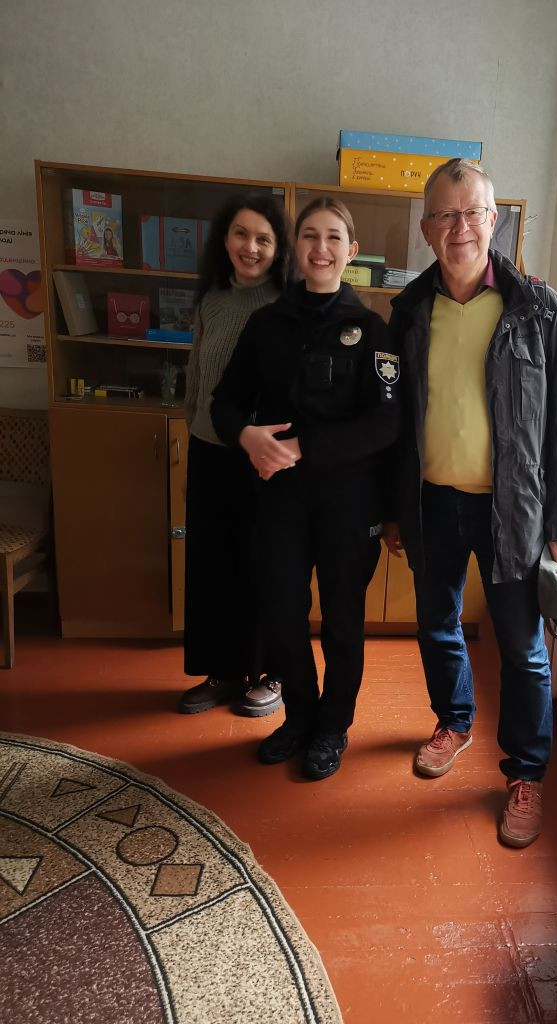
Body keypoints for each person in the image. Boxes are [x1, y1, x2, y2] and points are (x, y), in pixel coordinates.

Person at [384, 159, 557, 847]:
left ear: (493, 219)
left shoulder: (538, 309)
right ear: (426, 228)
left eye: (471, 212)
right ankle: (454, 722)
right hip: (432, 503)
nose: (459, 227)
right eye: (445, 215)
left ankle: (525, 775)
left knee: (523, 651)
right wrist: (394, 508)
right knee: (437, 626)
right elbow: (396, 424)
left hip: (516, 513)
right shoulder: (409, 311)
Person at [210, 197, 399, 780]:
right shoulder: (267, 324)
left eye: (333, 237)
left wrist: (303, 448)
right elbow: (225, 402)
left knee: (342, 619)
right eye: (310, 236)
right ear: (296, 247)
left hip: (349, 500)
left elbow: (385, 423)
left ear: (351, 250)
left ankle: (332, 727)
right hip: (281, 500)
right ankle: (299, 717)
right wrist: (246, 436)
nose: (321, 248)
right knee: (282, 613)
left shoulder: (372, 329)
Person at [178, 193, 296, 717]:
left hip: (260, 460)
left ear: (278, 248)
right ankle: (222, 671)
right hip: (207, 450)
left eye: (263, 239)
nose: (251, 247)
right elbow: (196, 373)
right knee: (211, 567)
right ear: (224, 239)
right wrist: (191, 429)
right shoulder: (212, 298)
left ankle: (269, 672)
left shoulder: (284, 305)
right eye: (241, 234)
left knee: (263, 567)